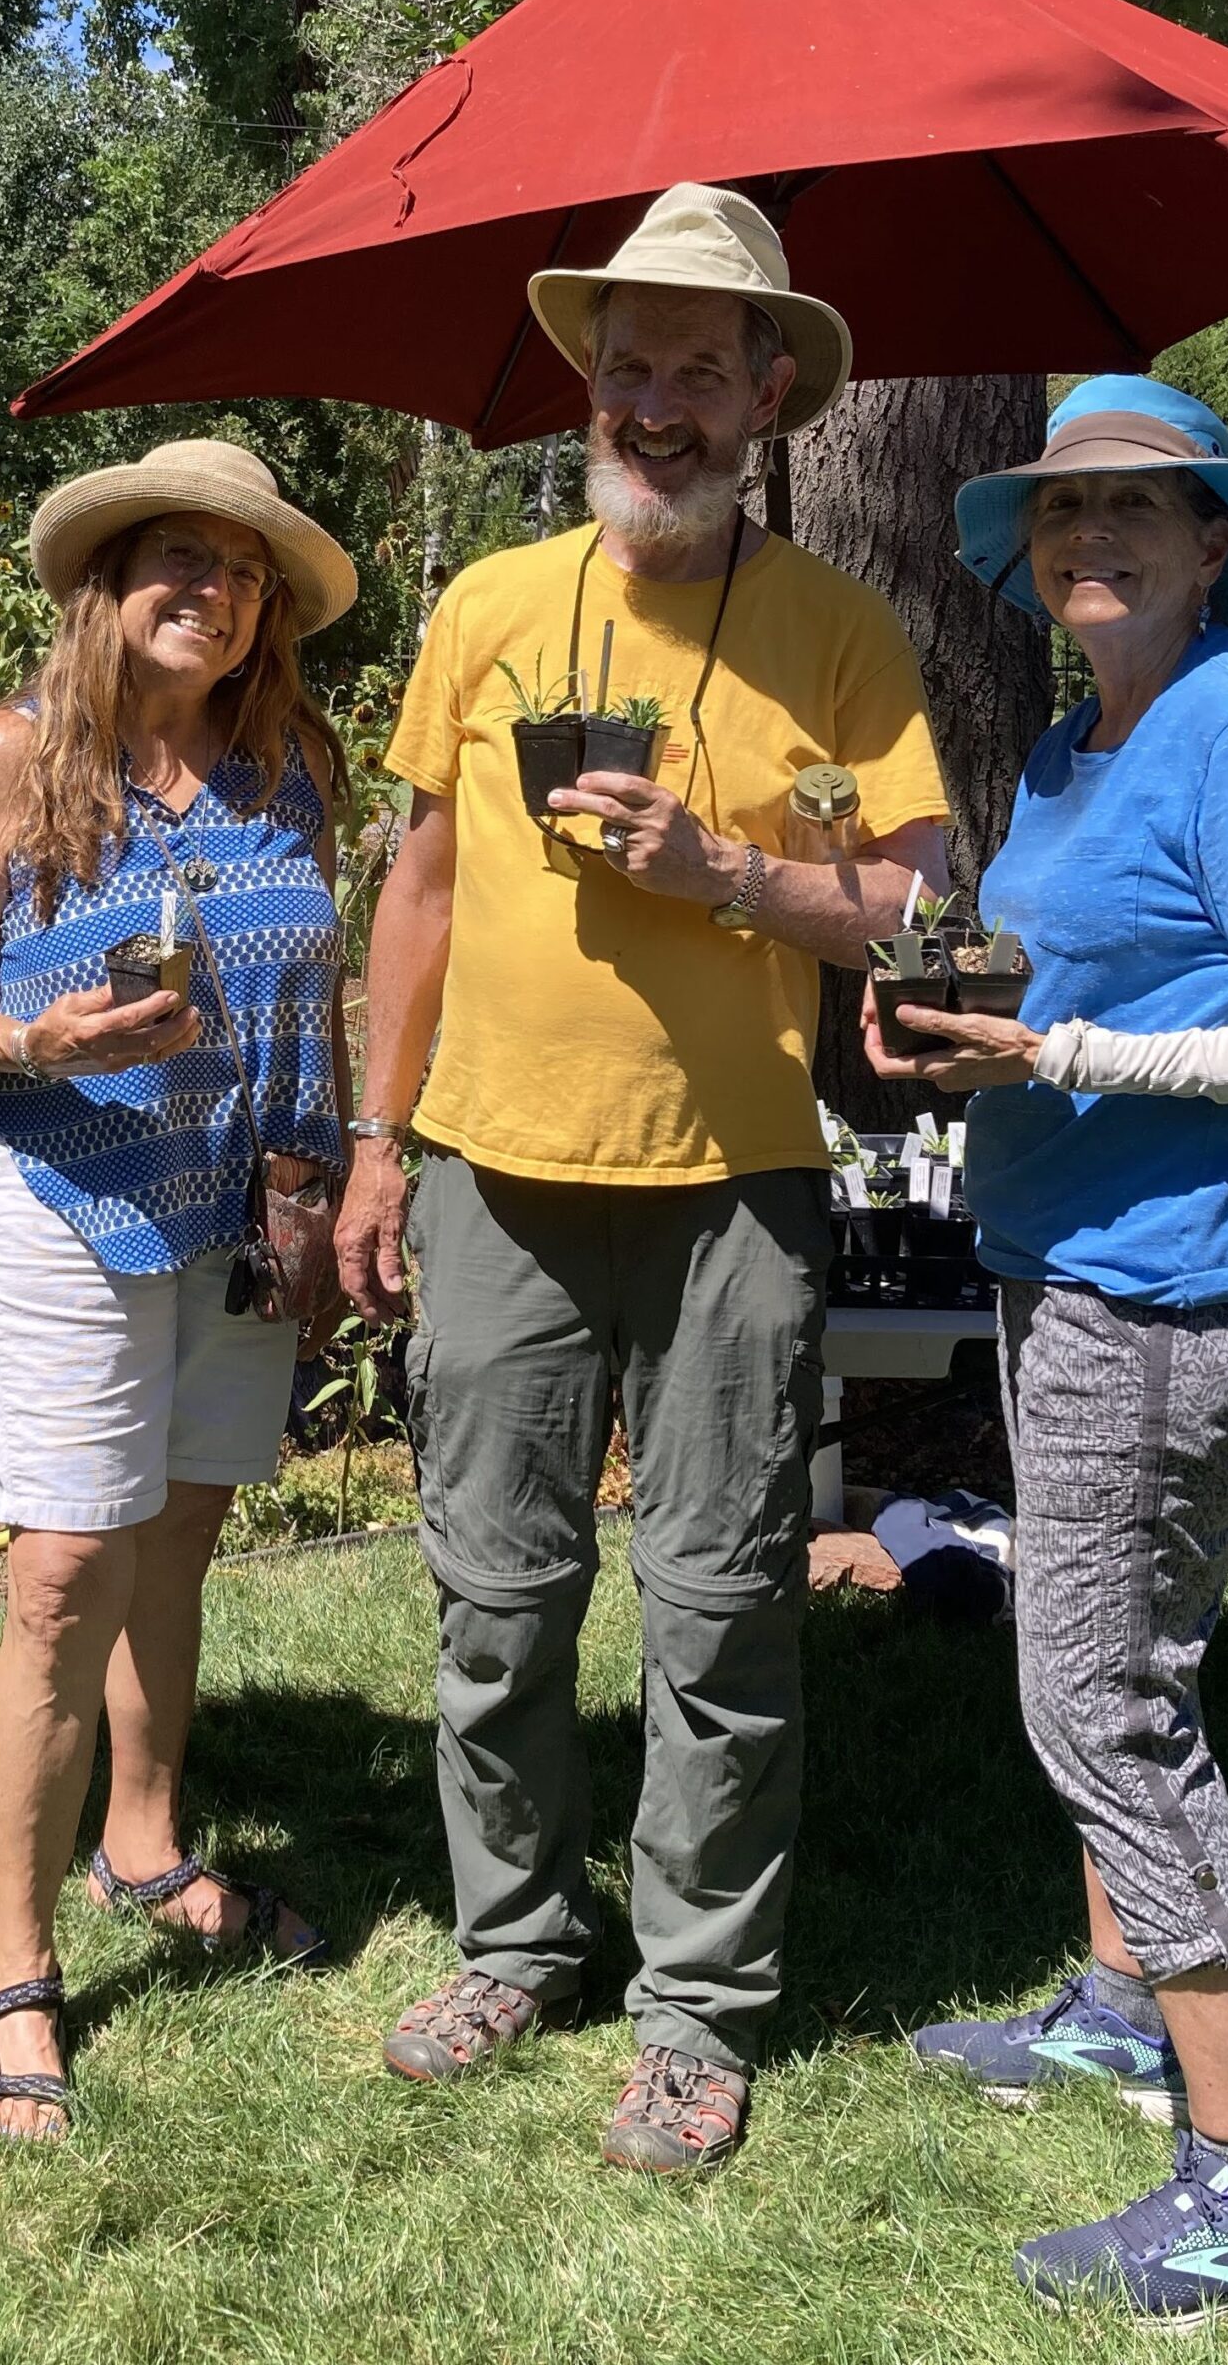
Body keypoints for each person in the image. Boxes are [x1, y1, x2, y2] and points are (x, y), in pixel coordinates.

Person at [337, 183, 952, 2173]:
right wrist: (374, 1135)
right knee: (493, 1598)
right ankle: (512, 1936)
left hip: (729, 1185)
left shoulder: (836, 632)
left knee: (715, 1610)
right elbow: (418, 888)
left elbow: (907, 907)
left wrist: (731, 875)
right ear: (583, 381)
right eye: (629, 363)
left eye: (700, 365)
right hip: (489, 1176)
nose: (657, 400)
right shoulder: (493, 607)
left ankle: (694, 2012)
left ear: (772, 391)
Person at [870, 374, 1228, 2326]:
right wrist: (961, 1029)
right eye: (1058, 514)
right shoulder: (1092, 739)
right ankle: (1112, 2011)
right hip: (1067, 1254)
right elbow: (1070, 969)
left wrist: (1068, 1053)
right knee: (1124, 1658)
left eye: (1132, 511)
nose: (1089, 539)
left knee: (1097, 1702)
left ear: (1204, 542)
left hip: (1171, 1283)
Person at [0, 440, 356, 2139]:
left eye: (239, 574)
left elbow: (311, 985)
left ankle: (145, 1846)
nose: (206, 591)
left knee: (182, 1527)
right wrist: (35, 1038)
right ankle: (15, 1965)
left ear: (264, 615)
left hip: (238, 1206)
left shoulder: (287, 764)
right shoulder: (16, 760)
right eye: (173, 558)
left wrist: (314, 1170)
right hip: (63, 1187)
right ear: (107, 582)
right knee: (66, 1563)